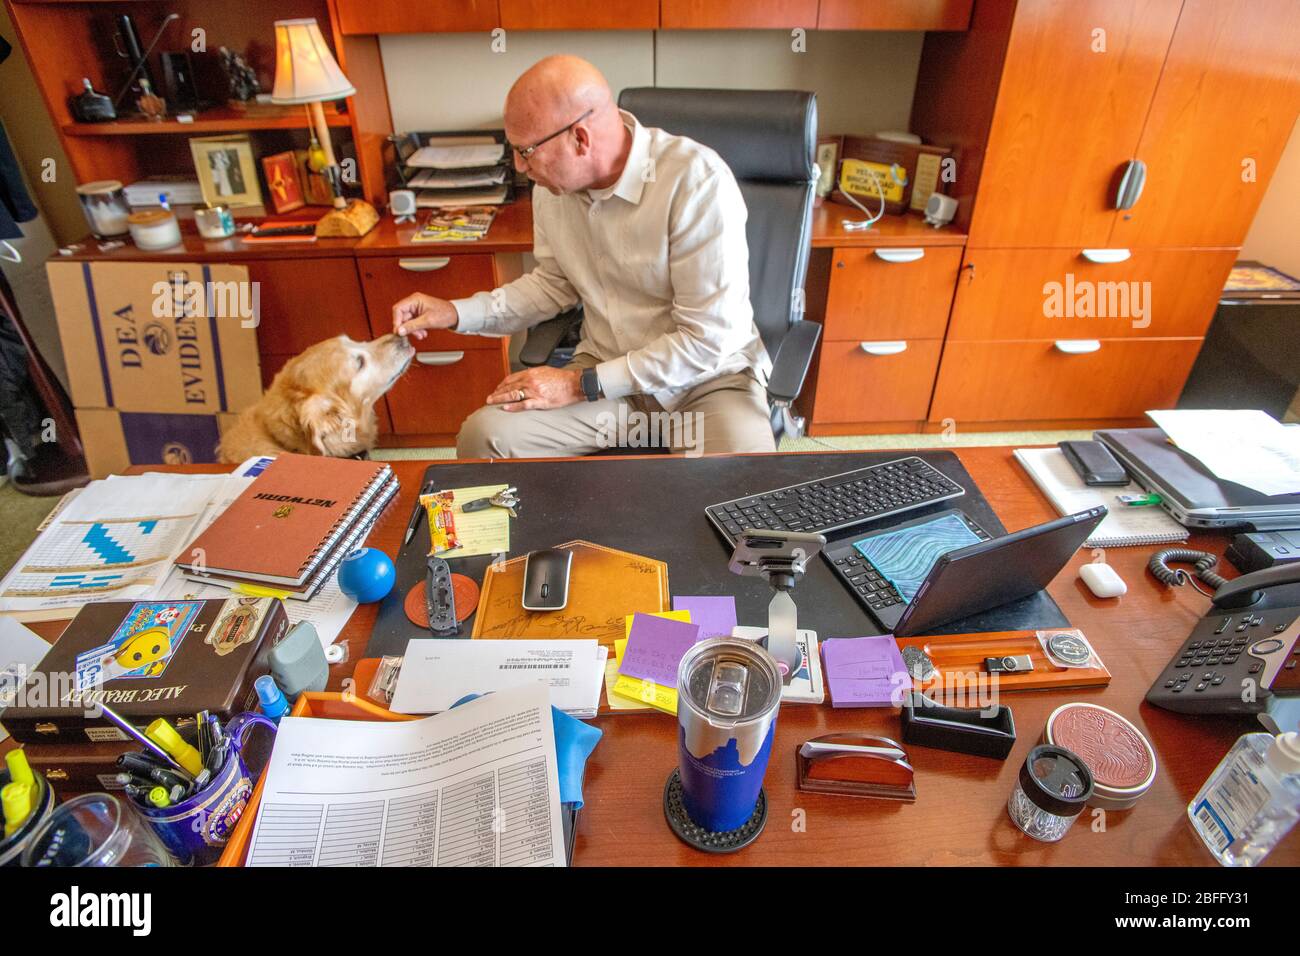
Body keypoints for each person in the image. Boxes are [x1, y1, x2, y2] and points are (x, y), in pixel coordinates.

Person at [391, 55, 774, 458]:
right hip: (609, 380)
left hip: (705, 384)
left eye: (527, 151)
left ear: (581, 138)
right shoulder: (552, 190)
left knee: (744, 494)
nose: (521, 167)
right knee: (485, 437)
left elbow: (706, 341)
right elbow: (553, 285)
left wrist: (579, 384)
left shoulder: (695, 181)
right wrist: (453, 312)